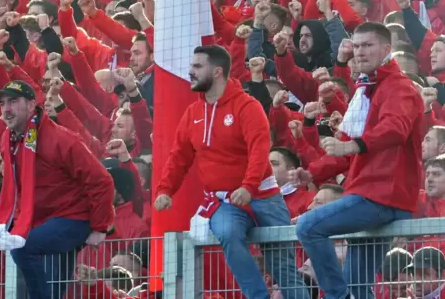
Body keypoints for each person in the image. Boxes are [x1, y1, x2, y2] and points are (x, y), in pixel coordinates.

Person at [155, 45, 309, 299]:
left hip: (264, 197)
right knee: (227, 233)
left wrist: (248, 187)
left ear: (217, 72)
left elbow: (260, 150)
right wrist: (165, 189)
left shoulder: (247, 106)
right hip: (224, 202)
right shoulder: (193, 113)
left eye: (197, 66)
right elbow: (179, 157)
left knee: (283, 269)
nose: (190, 72)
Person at [292, 22, 425, 299]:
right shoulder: (367, 89)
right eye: (357, 46)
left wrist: (353, 144)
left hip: (381, 196)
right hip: (372, 195)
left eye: (368, 45)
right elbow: (346, 150)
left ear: (387, 50)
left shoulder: (398, 87)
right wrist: (312, 173)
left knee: (307, 226)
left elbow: (395, 129)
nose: (360, 52)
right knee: (358, 286)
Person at [0, 80, 115, 299]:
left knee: (21, 248)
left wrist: (100, 227)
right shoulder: (8, 138)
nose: (6, 109)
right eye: (2, 103)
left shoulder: (61, 138)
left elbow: (102, 181)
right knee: (54, 290)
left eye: (13, 101)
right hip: (44, 222)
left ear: (31, 105)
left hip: (72, 219)